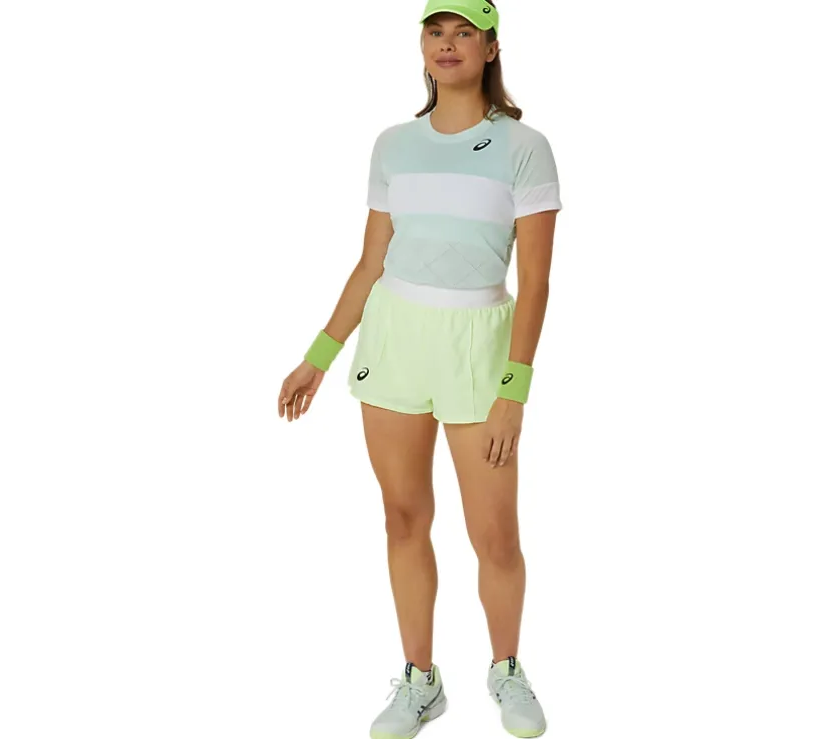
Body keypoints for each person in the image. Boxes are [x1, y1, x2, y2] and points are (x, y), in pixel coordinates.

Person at [277, 0, 560, 736]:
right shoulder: (393, 146)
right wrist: (318, 357)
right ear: (422, 46)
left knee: (494, 533)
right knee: (403, 517)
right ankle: (420, 680)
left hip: (479, 349)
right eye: (435, 31)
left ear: (491, 48)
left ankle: (506, 668)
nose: (447, 44)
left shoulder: (525, 147)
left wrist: (514, 392)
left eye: (464, 32)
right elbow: (371, 262)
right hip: (395, 343)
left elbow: (536, 284)